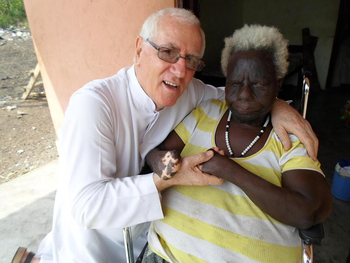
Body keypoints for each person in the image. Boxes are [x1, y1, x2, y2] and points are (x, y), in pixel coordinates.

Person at [12, 9, 319, 263]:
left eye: (192, 60)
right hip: (92, 249)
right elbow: (86, 207)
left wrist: (279, 105)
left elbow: (239, 93)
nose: (180, 70)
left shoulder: (190, 92)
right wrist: (167, 178)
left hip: (149, 242)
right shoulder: (94, 104)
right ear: (138, 50)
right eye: (168, 52)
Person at [143, 24, 333, 263]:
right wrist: (161, 162)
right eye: (234, 84)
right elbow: (157, 153)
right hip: (166, 255)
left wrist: (227, 169)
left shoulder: (290, 137)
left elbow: (309, 212)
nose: (244, 94)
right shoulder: (207, 111)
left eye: (259, 84)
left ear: (278, 83)